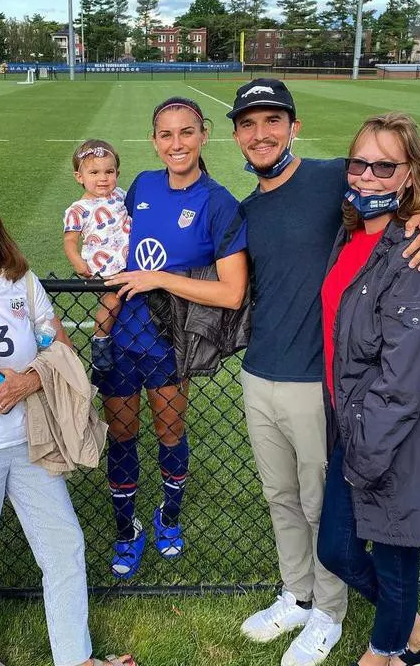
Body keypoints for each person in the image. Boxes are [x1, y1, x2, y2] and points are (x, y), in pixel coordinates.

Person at [231, 78, 420, 666]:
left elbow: (413, 205)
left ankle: (332, 614)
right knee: (282, 499)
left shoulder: (335, 179)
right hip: (262, 373)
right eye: (248, 124)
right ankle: (297, 596)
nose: (261, 134)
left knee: (320, 510)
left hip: (327, 394)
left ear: (293, 126)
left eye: (272, 120)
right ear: (235, 135)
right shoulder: (246, 209)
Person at [0, 187, 134, 666]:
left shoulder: (21, 284)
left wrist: (29, 379)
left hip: (28, 439)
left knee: (63, 543)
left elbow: (58, 348)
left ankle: (75, 656)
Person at [317, 113, 420, 666]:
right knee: (338, 550)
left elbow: (402, 376)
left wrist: (364, 457)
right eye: (359, 163)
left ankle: (386, 650)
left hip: (392, 438)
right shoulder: (351, 235)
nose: (368, 176)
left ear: (409, 175)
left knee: (395, 565)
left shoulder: (415, 251)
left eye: (384, 165)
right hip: (352, 427)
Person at [98, 96, 247, 579]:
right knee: (121, 432)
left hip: (169, 339)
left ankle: (169, 516)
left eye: (186, 132)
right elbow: (113, 243)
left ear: (204, 135)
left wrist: (158, 278)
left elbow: (230, 292)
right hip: (123, 334)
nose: (176, 143)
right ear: (153, 140)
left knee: (169, 430)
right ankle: (126, 529)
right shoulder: (140, 184)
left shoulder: (218, 202)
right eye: (166, 134)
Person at [63, 139, 130, 369]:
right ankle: (100, 341)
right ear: (79, 177)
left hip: (130, 262)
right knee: (112, 303)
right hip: (106, 267)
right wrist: (77, 261)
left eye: (109, 171)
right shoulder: (78, 209)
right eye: (94, 172)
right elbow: (70, 241)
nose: (103, 178)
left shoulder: (120, 194)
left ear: (117, 173)